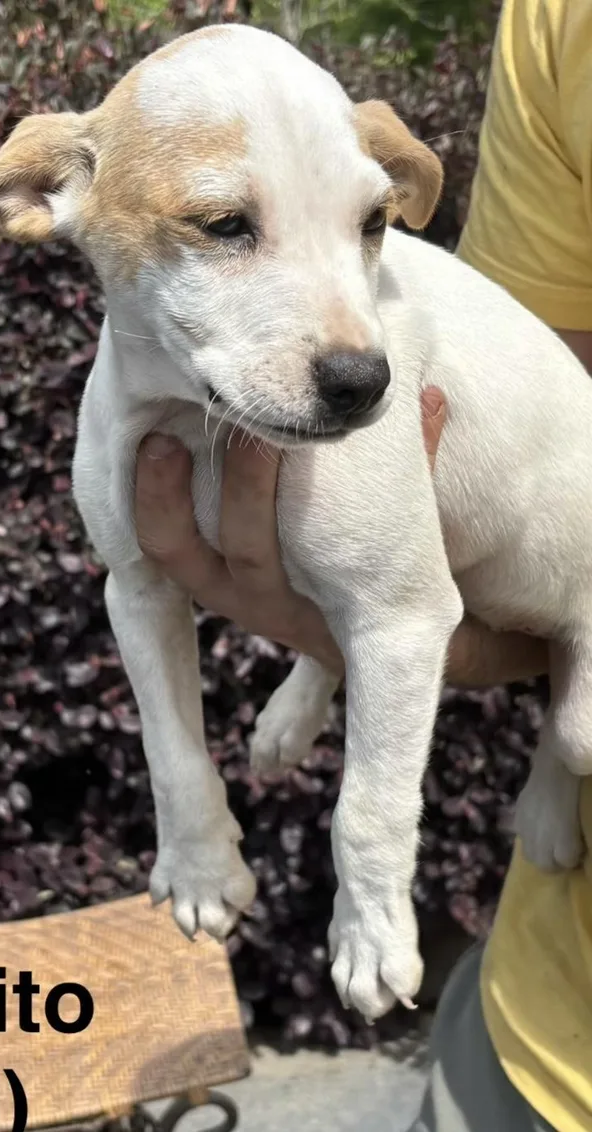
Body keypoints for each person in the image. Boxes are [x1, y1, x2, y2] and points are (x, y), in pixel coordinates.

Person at [131, 0, 592, 1128]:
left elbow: (401, 603)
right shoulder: (555, 21)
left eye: (369, 223)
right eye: (225, 225)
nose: (357, 350)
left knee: (581, 735)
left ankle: (552, 754)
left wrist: (372, 877)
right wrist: (188, 817)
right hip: (536, 1031)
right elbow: (148, 578)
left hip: (553, 566)